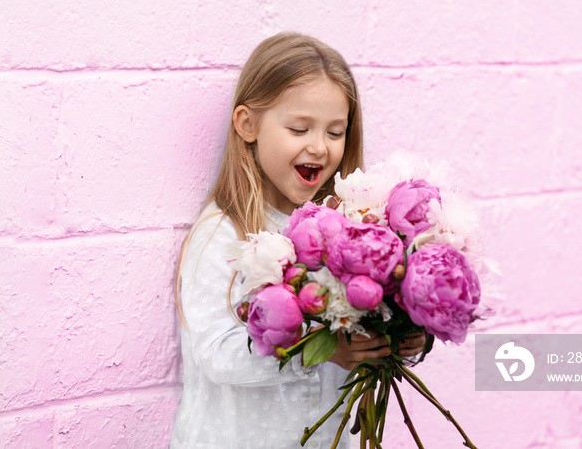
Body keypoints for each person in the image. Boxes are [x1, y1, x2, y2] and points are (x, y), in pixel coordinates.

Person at [170, 32, 425, 449]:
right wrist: (322, 349)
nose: (319, 147)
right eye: (299, 128)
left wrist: (398, 333)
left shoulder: (343, 232)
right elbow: (214, 354)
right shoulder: (223, 232)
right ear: (247, 125)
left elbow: (357, 326)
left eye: (335, 132)